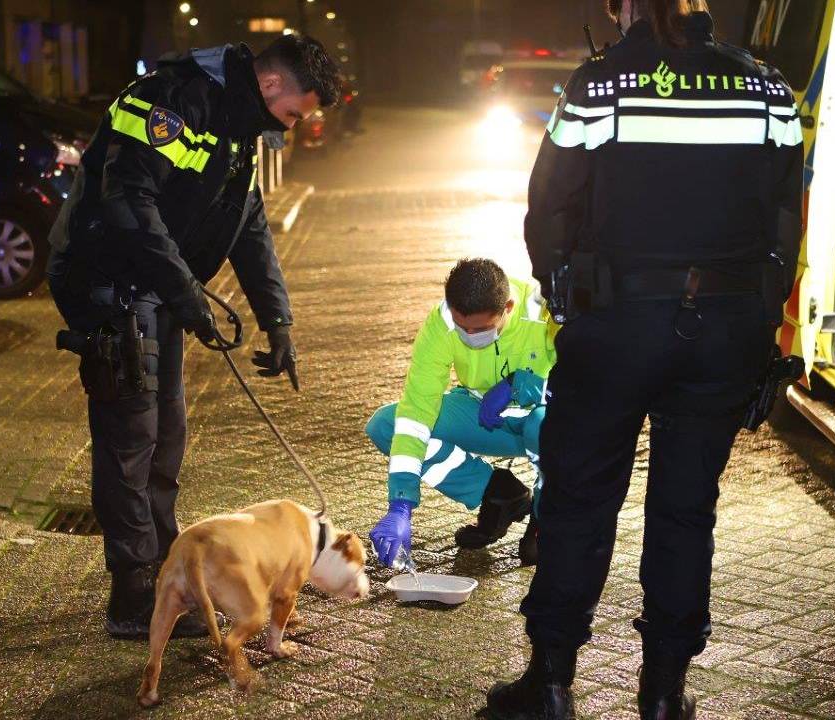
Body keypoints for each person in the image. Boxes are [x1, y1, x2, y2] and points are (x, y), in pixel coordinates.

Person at [485, 1, 804, 719]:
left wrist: (567, 298)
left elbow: (548, 208)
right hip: (723, 327)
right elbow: (785, 218)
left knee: (580, 502)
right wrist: (761, 324)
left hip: (617, 323)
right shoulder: (765, 88)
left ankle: (553, 684)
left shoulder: (601, 85)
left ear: (622, 6)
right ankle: (663, 696)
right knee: (687, 513)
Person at [47, 35, 342, 640]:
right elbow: (128, 199)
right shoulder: (172, 103)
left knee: (167, 435)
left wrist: (277, 319)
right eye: (293, 113)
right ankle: (132, 597)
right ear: (269, 85)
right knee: (132, 438)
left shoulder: (238, 126)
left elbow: (247, 220)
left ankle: (163, 580)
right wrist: (186, 293)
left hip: (155, 287)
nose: (291, 128)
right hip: (104, 280)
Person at [366, 259, 557, 569]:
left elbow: (587, 376)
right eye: (461, 327)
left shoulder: (544, 308)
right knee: (387, 425)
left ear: (507, 307)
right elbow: (417, 408)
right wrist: (400, 503)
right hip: (483, 416)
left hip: (545, 417)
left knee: (541, 425)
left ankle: (545, 517)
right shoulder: (442, 322)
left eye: (480, 329)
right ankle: (498, 492)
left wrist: (519, 385)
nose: (469, 335)